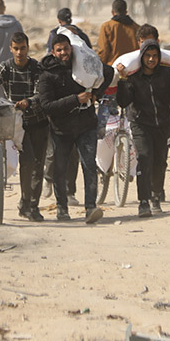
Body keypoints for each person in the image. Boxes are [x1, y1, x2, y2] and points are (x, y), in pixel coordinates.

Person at [35, 33, 114, 224]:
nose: (64, 53)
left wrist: (96, 93)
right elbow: (46, 106)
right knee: (60, 169)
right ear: (53, 52)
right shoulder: (48, 75)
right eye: (59, 50)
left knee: (88, 166)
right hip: (61, 129)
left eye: (66, 48)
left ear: (72, 49)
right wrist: (75, 99)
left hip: (86, 125)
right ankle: (62, 208)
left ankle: (90, 208)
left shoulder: (82, 66)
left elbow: (109, 72)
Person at [0, 32, 47, 221]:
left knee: (38, 164)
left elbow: (41, 93)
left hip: (37, 121)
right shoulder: (5, 67)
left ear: (28, 48)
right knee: (28, 161)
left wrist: (28, 102)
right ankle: (25, 202)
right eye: (16, 48)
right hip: (13, 122)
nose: (20, 52)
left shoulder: (37, 68)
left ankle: (30, 205)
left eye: (23, 48)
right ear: (11, 49)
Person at [115, 39, 170, 217]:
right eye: (148, 56)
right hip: (141, 124)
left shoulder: (167, 74)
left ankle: (156, 196)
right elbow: (123, 101)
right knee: (145, 158)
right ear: (141, 57)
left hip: (163, 125)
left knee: (160, 162)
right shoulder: (134, 76)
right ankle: (143, 201)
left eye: (155, 56)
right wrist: (122, 80)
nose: (151, 60)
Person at [96, 0, 138, 65]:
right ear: (126, 12)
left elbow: (103, 51)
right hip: (133, 67)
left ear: (112, 12)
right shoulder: (136, 27)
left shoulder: (106, 27)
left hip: (114, 66)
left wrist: (101, 66)